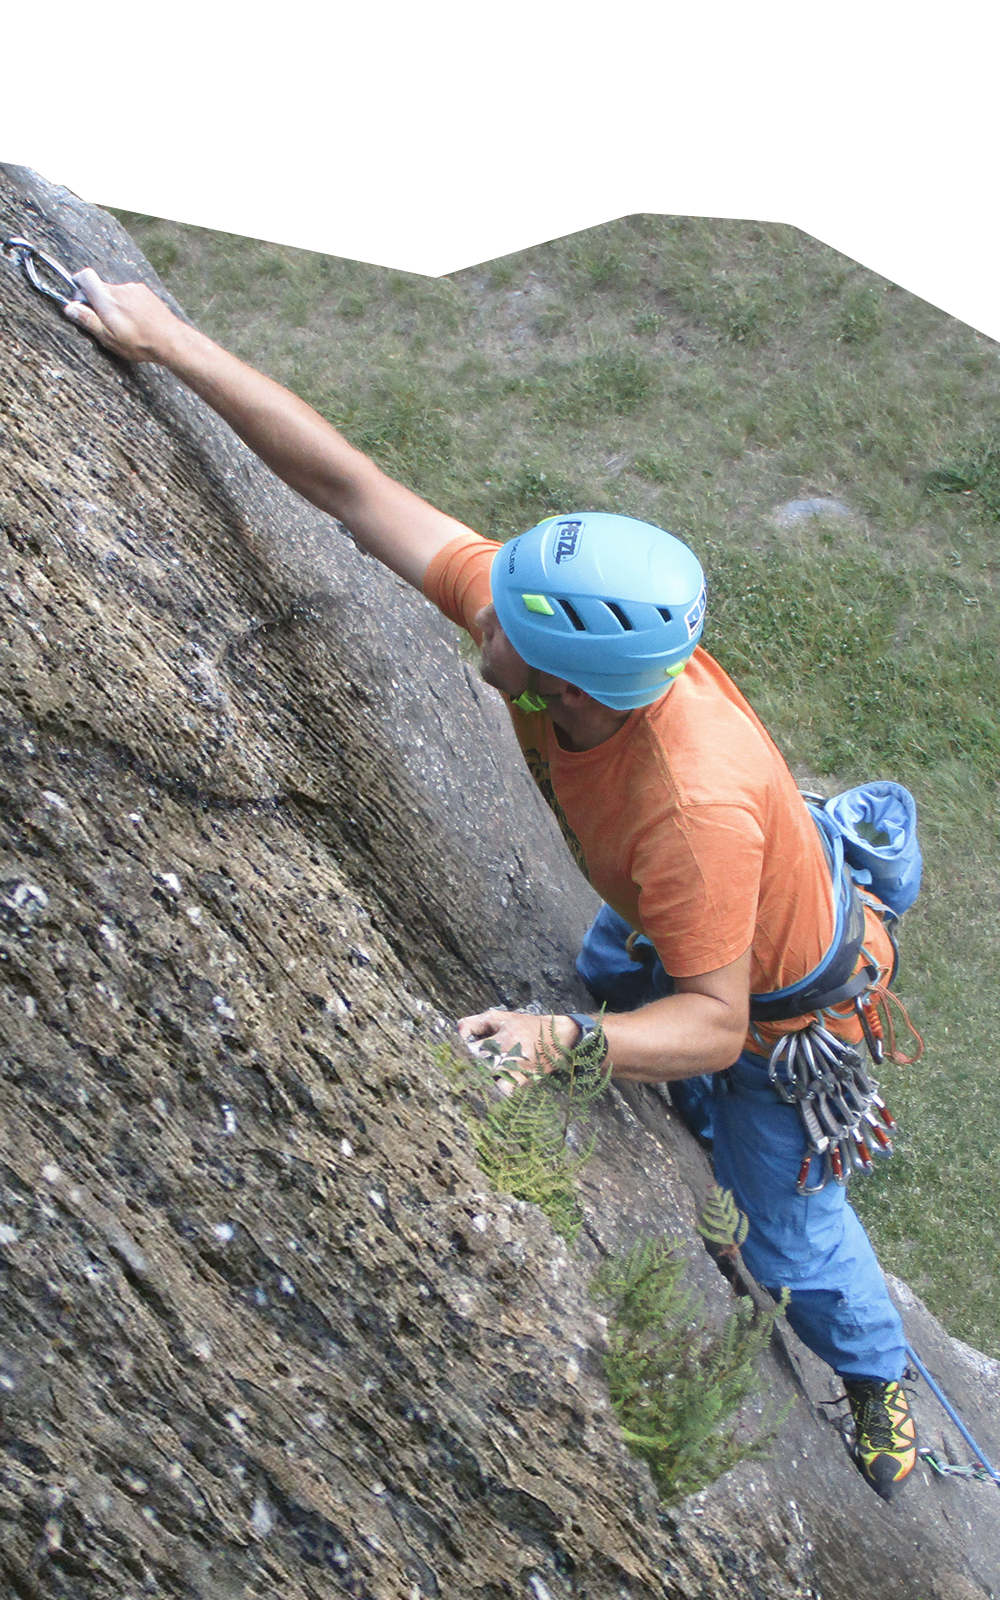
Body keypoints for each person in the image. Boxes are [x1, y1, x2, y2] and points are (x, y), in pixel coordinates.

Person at [62, 268, 918, 1500]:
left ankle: (878, 1377)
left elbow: (716, 1020)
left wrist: (564, 1040)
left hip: (785, 1016)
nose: (477, 602)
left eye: (503, 616)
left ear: (564, 680)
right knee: (619, 963)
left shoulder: (689, 809)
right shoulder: (573, 658)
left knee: (785, 1228)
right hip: (680, 918)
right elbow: (355, 492)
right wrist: (171, 343)